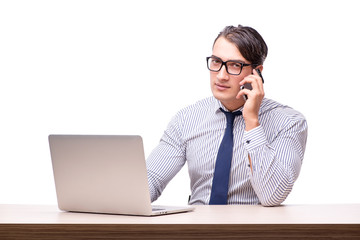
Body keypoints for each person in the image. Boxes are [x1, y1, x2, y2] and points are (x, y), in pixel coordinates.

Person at [146, 24, 308, 206]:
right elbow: (150, 181)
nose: (221, 75)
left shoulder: (288, 122)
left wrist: (252, 121)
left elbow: (272, 196)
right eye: (216, 62)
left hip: (253, 231)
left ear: (257, 73)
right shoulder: (186, 119)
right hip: (197, 230)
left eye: (234, 65)